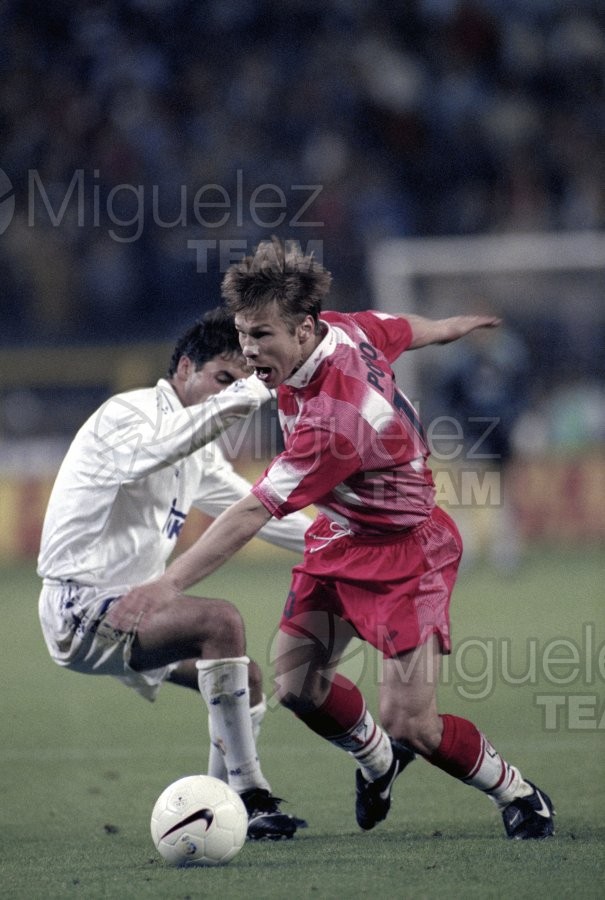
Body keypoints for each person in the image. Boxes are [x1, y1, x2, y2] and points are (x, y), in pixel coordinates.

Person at [122, 240, 555, 841]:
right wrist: (450, 327)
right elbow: (403, 328)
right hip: (342, 534)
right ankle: (377, 761)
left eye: (262, 336)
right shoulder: (343, 329)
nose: (249, 350)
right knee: (298, 685)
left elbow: (250, 513)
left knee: (414, 725)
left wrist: (165, 583)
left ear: (302, 330)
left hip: (408, 552)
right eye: (245, 333)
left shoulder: (337, 422)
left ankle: (519, 793)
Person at [37, 306, 312, 840]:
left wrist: (351, 541)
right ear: (185, 368)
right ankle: (252, 797)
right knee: (220, 622)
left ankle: (213, 812)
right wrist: (252, 391)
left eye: (237, 382)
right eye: (222, 378)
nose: (227, 392)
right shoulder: (129, 415)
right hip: (79, 605)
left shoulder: (200, 453)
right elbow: (157, 451)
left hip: (130, 610)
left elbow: (259, 511)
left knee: (247, 682)